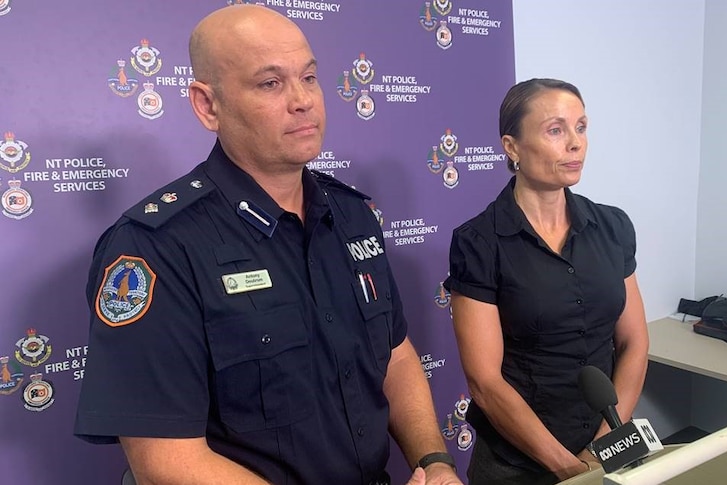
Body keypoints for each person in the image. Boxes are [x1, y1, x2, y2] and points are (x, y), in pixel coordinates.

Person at [74, 5, 462, 485]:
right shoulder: (155, 247)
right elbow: (166, 464)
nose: (303, 101)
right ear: (207, 106)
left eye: (310, 77)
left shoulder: (353, 216)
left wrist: (434, 462)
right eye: (270, 84)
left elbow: (396, 355)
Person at [443, 78, 649, 484]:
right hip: (517, 464)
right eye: (556, 130)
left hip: (604, 448)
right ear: (512, 146)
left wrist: (602, 449)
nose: (575, 143)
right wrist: (570, 469)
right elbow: (485, 382)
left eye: (581, 127)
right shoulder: (479, 243)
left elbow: (634, 343)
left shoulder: (613, 226)